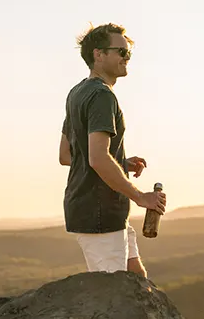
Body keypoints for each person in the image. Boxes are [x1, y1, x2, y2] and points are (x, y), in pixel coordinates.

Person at [59, 23, 166, 277]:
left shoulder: (77, 93)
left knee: (137, 277)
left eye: (128, 53)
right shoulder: (101, 96)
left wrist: (120, 160)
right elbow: (96, 158)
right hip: (100, 214)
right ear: (98, 55)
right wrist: (141, 197)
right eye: (121, 52)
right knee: (113, 296)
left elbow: (67, 155)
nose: (126, 58)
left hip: (97, 210)